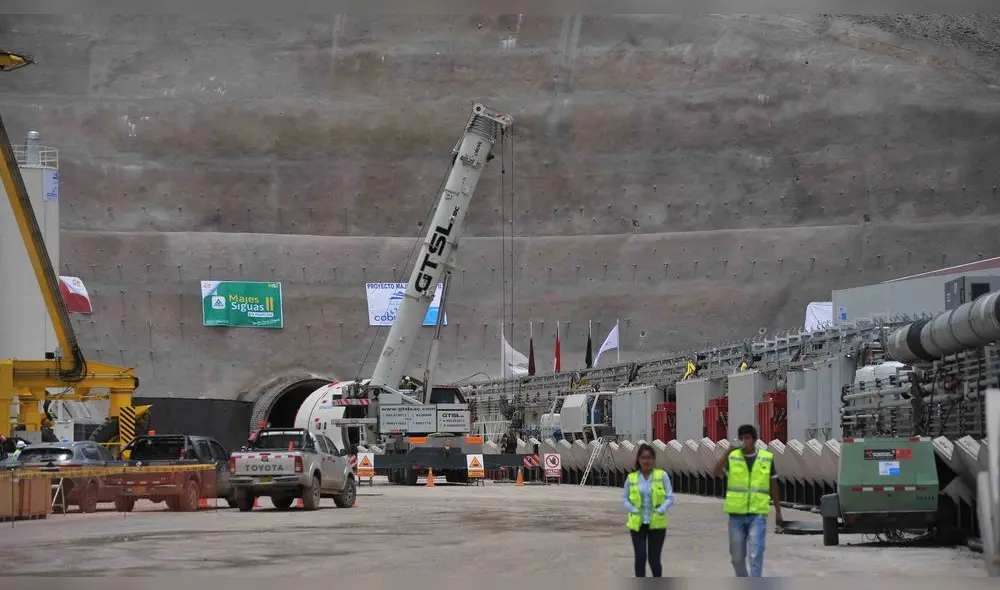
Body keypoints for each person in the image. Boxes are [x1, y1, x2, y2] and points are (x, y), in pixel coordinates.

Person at [713, 424, 784, 578]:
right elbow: (716, 472)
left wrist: (778, 511)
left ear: (754, 440)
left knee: (755, 554)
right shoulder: (732, 457)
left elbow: (774, 485)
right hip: (736, 515)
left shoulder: (766, 458)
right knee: (737, 558)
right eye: (742, 438)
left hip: (757, 514)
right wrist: (728, 451)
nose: (744, 441)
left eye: (748, 438)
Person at [622, 442, 675, 577]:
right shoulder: (631, 478)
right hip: (637, 524)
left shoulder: (662, 475)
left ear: (654, 460)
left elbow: (670, 497)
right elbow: (625, 499)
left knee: (654, 560)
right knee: (640, 558)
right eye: (643, 458)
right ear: (638, 459)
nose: (646, 461)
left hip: (656, 524)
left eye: (649, 458)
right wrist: (633, 509)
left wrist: (662, 509)